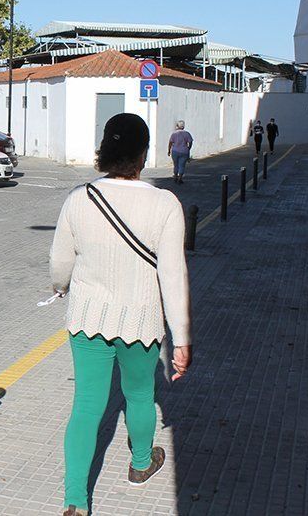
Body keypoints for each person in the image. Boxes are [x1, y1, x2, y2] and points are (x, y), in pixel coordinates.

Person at [50, 113, 193, 516]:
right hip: (142, 321)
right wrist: (181, 338)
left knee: (86, 405)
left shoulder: (80, 198)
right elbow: (173, 275)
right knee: (140, 393)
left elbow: (59, 263)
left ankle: (75, 501)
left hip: (88, 318)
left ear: (105, 151)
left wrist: (61, 287)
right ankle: (142, 464)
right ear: (144, 154)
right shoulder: (165, 203)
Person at [167, 120, 193, 184]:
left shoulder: (174, 134)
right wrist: (188, 148)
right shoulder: (187, 133)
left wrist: (169, 150)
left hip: (175, 151)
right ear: (183, 126)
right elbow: (190, 142)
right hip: (184, 151)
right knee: (182, 165)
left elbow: (170, 142)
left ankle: (175, 176)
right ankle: (180, 178)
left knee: (175, 165)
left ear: (177, 126)